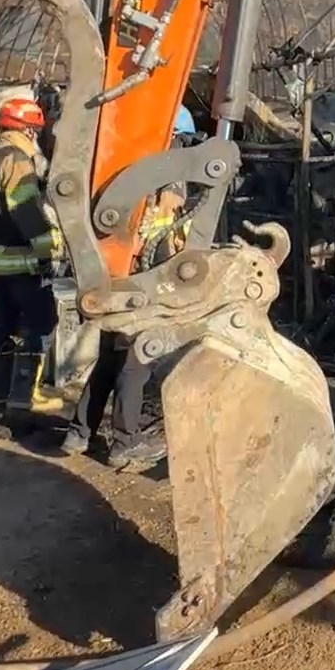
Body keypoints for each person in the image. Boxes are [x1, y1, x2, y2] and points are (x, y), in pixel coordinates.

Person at [60, 105, 200, 467]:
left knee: (108, 359)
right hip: (143, 281)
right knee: (135, 364)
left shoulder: (130, 166)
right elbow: (166, 233)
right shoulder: (168, 175)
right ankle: (125, 441)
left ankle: (79, 433)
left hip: (114, 276)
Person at [0, 96, 66, 430]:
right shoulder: (16, 160)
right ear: (28, 130)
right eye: (35, 131)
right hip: (18, 258)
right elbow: (25, 209)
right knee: (41, 321)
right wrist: (48, 248)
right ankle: (25, 397)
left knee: (1, 323)